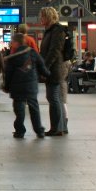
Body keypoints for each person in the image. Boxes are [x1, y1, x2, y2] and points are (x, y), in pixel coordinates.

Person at [4, 33, 49, 138]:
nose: (11, 44)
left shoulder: (13, 57)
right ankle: (39, 131)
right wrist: (48, 74)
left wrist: (7, 87)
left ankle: (20, 131)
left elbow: (8, 74)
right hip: (31, 85)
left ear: (16, 43)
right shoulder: (33, 53)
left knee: (19, 109)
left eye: (12, 42)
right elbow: (42, 66)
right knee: (34, 108)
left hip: (17, 87)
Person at [39, 7, 67, 136]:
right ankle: (61, 127)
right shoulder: (50, 30)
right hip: (53, 68)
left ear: (49, 17)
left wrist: (45, 67)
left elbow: (54, 51)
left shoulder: (57, 30)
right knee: (56, 98)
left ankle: (56, 128)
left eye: (43, 16)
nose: (41, 19)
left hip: (54, 69)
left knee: (53, 97)